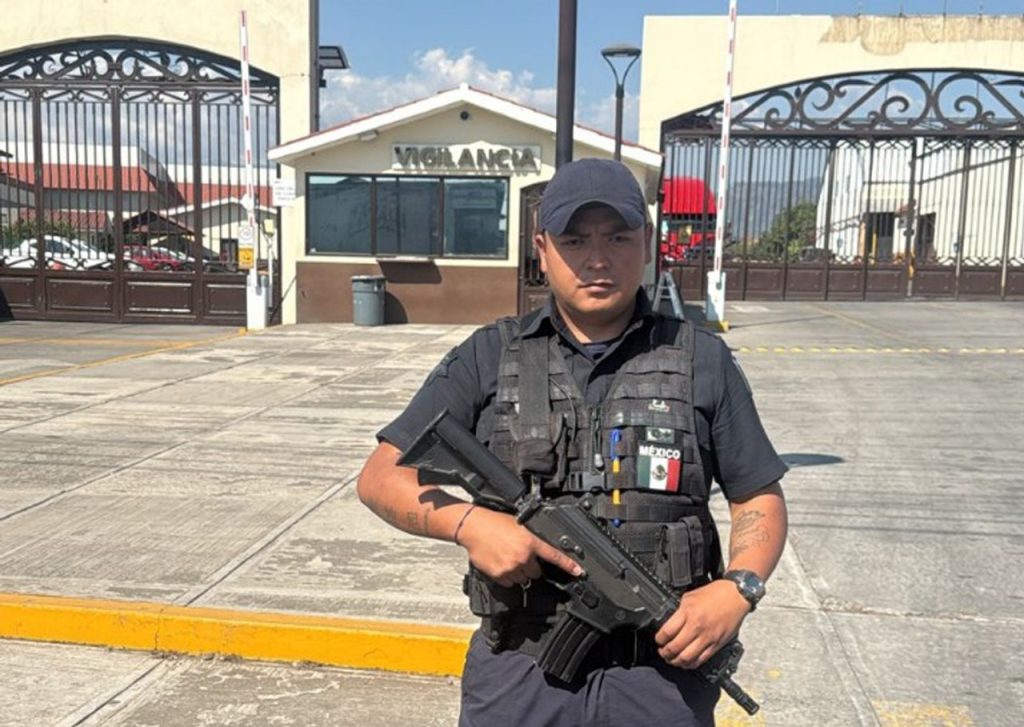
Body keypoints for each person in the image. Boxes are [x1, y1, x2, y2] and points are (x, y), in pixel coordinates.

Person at [357, 158, 789, 726]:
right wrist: (469, 524)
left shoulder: (702, 360)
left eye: (617, 237)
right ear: (542, 248)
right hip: (521, 669)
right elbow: (380, 477)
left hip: (660, 681)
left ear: (648, 241)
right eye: (574, 239)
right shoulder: (490, 356)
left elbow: (757, 495)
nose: (598, 258)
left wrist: (738, 589)